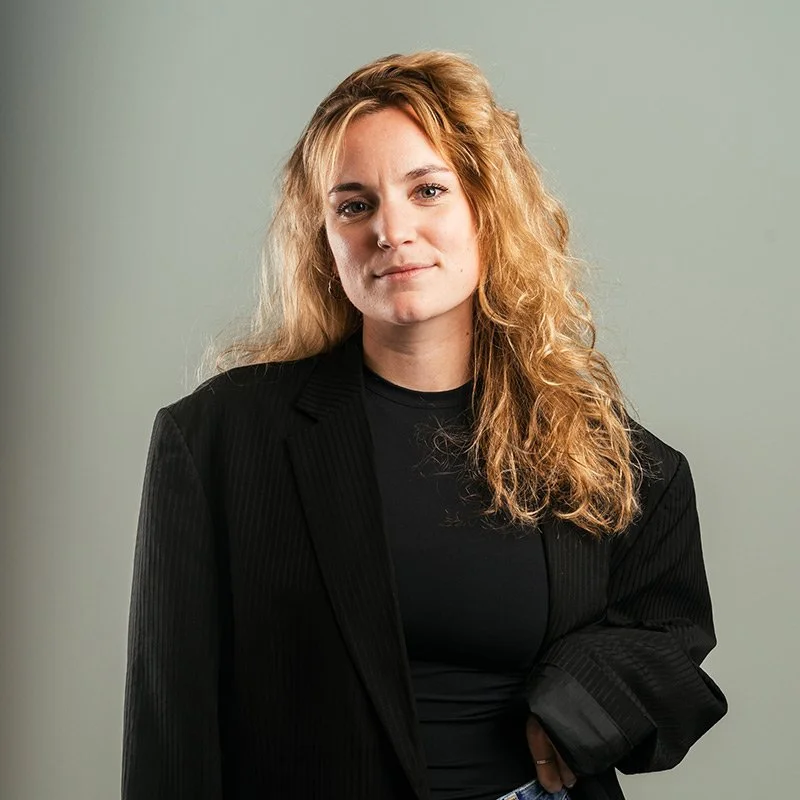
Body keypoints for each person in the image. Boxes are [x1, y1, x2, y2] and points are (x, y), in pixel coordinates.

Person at [121, 50, 727, 800]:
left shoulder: (605, 455)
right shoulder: (216, 440)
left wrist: (585, 699)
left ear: (487, 210)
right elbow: (170, 730)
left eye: (428, 191)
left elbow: (669, 635)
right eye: (354, 205)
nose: (391, 230)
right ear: (324, 240)